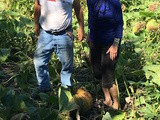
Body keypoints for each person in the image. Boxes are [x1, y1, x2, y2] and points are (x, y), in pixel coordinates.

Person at [33, 0, 84, 94]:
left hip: (64, 34)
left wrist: (81, 27)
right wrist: (36, 23)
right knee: (39, 62)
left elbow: (78, 8)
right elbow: (37, 6)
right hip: (45, 34)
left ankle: (65, 91)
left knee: (66, 64)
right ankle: (44, 89)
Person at [87, 0, 123, 110]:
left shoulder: (114, 2)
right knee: (98, 73)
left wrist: (115, 44)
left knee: (108, 74)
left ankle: (116, 104)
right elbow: (91, 18)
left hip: (110, 44)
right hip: (95, 41)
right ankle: (107, 99)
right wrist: (89, 35)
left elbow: (119, 24)